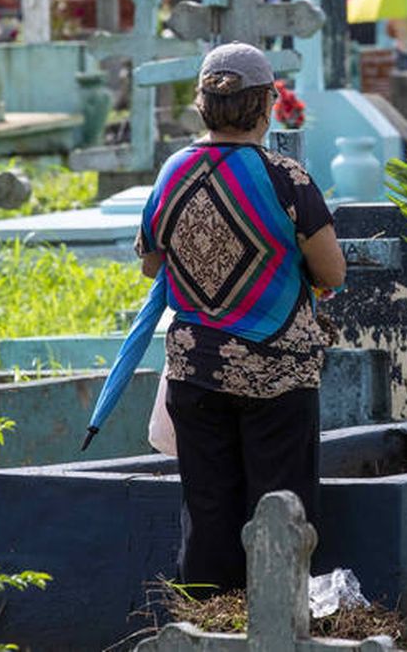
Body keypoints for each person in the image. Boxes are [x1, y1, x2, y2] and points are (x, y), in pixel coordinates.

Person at [136, 43, 346, 595]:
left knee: (206, 512)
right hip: (278, 374)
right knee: (282, 510)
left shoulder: (173, 171)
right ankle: (279, 620)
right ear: (265, 105)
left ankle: (206, 625)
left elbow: (151, 262)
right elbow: (332, 270)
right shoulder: (284, 178)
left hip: (195, 368)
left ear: (203, 104)